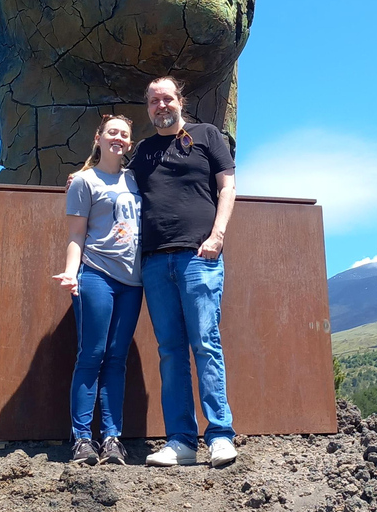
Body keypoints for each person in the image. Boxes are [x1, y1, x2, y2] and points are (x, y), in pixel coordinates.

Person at [132, 76, 238, 467]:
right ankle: (181, 441)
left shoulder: (207, 136)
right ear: (148, 108)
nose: (161, 106)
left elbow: (227, 187)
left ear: (181, 101)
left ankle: (221, 435)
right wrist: (85, 174)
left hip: (199, 257)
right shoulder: (142, 152)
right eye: (153, 101)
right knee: (170, 352)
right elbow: (115, 182)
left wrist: (218, 235)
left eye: (167, 98)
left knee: (205, 344)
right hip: (156, 262)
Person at [53, 114, 143, 465]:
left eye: (124, 134)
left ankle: (112, 438)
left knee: (117, 359)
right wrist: (71, 273)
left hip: (133, 282)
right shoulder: (84, 182)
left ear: (129, 144)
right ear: (99, 138)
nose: (117, 138)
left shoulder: (136, 180)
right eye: (112, 133)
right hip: (96, 275)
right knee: (92, 355)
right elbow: (76, 235)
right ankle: (82, 439)